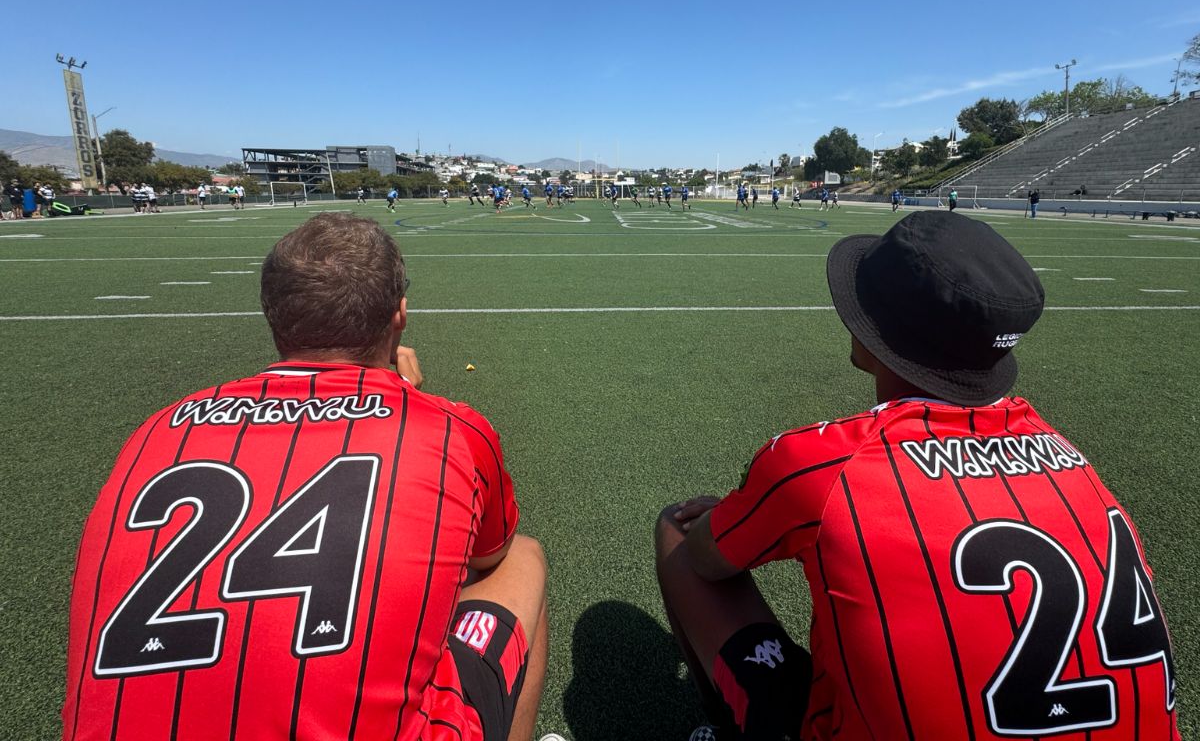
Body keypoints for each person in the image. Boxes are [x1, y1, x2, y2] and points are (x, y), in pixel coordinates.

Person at [656, 210, 1180, 741]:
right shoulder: (1070, 455)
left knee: (675, 531)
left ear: (877, 332)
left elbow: (707, 558)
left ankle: (725, 726)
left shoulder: (824, 460)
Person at [63, 213, 555, 741]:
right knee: (521, 556)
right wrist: (408, 400)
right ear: (400, 315)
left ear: (274, 316)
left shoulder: (159, 428)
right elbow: (486, 557)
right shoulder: (447, 426)